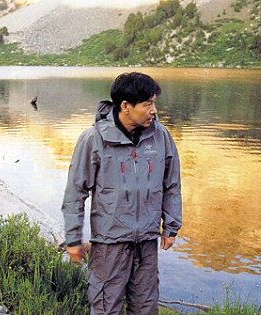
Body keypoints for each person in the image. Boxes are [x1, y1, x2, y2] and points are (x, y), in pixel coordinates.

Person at [61, 72, 182, 315]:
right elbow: (76, 192)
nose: (154, 110)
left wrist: (171, 226)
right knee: (106, 307)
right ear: (125, 106)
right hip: (109, 245)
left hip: (147, 242)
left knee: (146, 308)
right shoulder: (93, 139)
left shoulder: (162, 137)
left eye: (154, 103)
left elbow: (172, 184)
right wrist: (73, 239)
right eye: (148, 104)